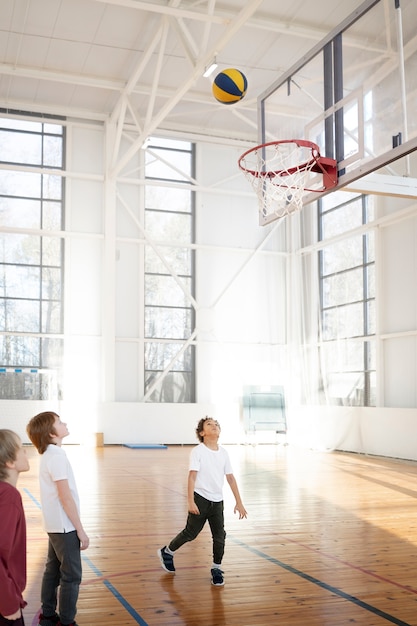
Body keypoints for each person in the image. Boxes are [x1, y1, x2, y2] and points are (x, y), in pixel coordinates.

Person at [158, 416, 247, 586]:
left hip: (217, 502)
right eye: (209, 424)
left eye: (216, 425)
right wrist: (190, 502)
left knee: (219, 536)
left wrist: (239, 502)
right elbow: (192, 477)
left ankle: (216, 568)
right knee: (190, 533)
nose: (214, 426)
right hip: (200, 499)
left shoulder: (224, 453)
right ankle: (167, 551)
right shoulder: (198, 451)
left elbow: (230, 478)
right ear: (202, 433)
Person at [26, 412, 89, 626]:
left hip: (54, 525)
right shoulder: (57, 457)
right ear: (52, 433)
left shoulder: (48, 455)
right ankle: (67, 621)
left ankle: (48, 614)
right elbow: (65, 497)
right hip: (65, 527)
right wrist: (80, 529)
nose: (65, 423)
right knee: (71, 576)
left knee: (52, 570)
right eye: (60, 422)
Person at [0, 429, 30, 626]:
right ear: (9, 462)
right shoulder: (9, 497)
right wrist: (8, 601)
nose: (26, 452)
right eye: (21, 449)